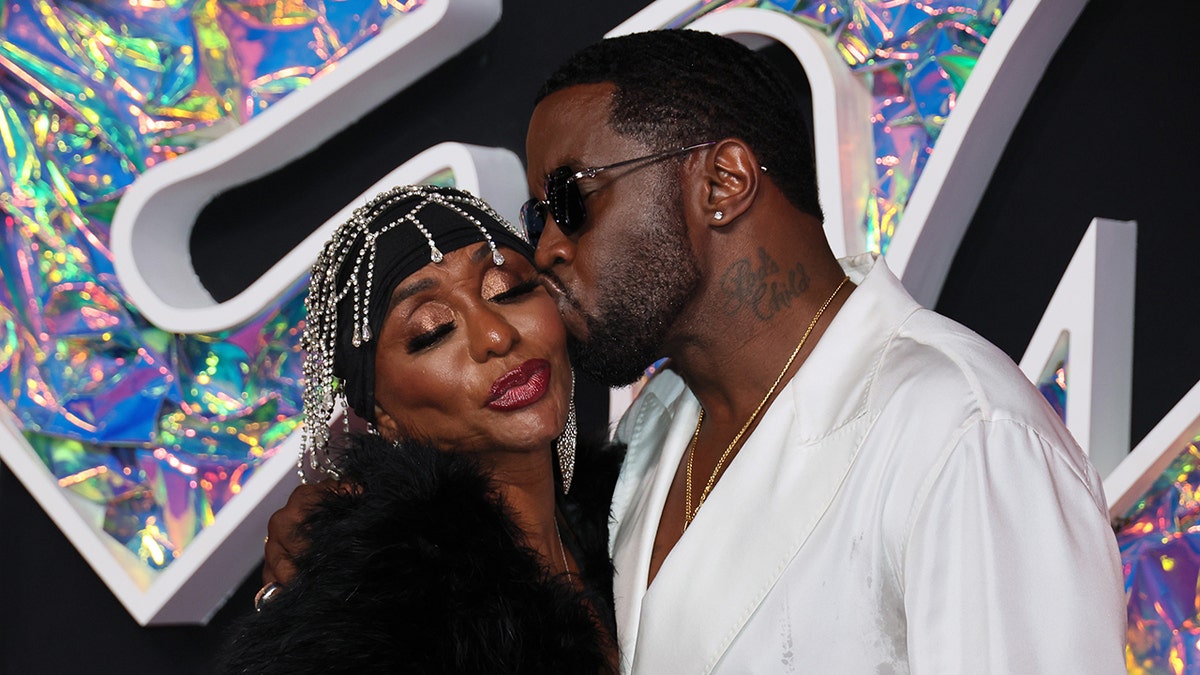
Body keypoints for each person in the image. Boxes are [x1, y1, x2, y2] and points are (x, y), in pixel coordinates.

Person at [518, 29, 1126, 673]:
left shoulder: (964, 433)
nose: (547, 249)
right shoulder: (652, 429)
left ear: (724, 182)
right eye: (537, 217)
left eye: (570, 199)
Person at [223, 185, 620, 673]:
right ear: (382, 413)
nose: (496, 335)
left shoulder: (634, 501)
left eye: (506, 290)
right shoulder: (379, 618)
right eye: (433, 330)